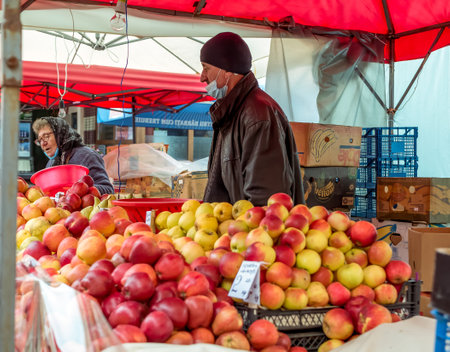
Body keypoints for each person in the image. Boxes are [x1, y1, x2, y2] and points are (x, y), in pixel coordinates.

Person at [200, 32, 305, 206]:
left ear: (226, 71)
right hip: (235, 229)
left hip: (253, 230)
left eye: (206, 68)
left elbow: (266, 199)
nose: (202, 77)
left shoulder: (258, 115)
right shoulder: (232, 112)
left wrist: (243, 230)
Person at [32, 116, 114, 195]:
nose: (43, 143)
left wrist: (81, 191)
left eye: (46, 136)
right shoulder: (51, 164)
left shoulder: (87, 156)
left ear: (60, 135)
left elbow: (108, 189)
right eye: (40, 140)